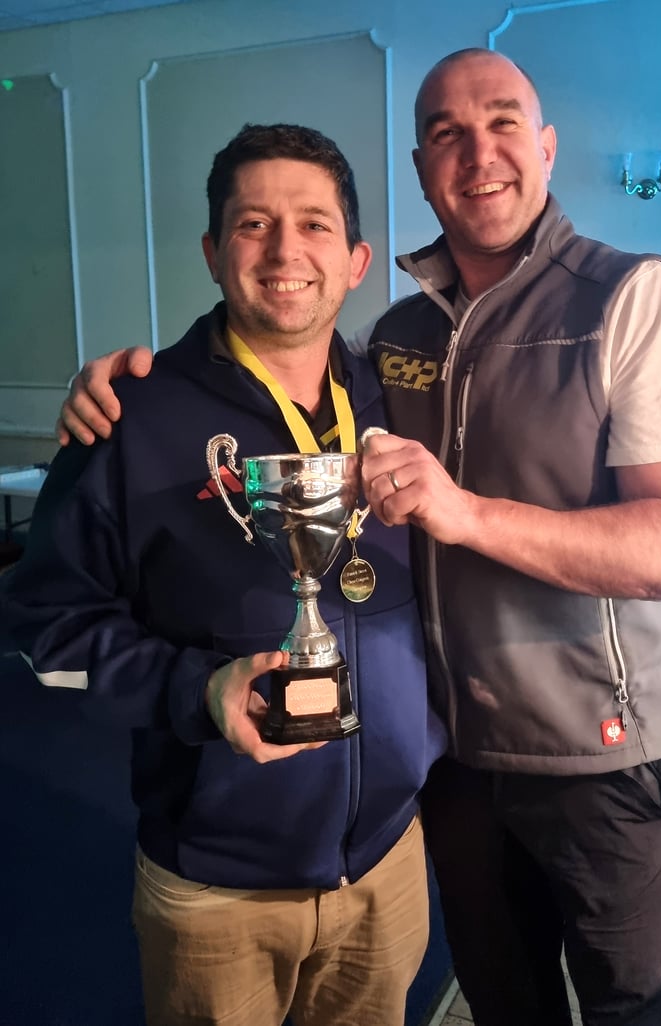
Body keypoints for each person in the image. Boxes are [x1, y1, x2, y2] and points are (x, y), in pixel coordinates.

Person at [52, 50, 661, 1026]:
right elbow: (53, 631)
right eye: (445, 133)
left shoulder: (607, 304)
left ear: (544, 148)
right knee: (505, 1004)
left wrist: (462, 512)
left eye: (500, 124)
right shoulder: (353, 355)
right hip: (381, 806)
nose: (476, 152)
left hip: (552, 782)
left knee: (629, 1011)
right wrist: (110, 393)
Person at [3, 123, 446, 1026]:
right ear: (213, 252)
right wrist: (200, 691)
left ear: (357, 259)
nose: (287, 250)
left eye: (315, 225)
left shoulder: (400, 405)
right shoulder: (130, 416)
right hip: (216, 889)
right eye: (254, 224)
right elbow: (50, 627)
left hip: (390, 861)